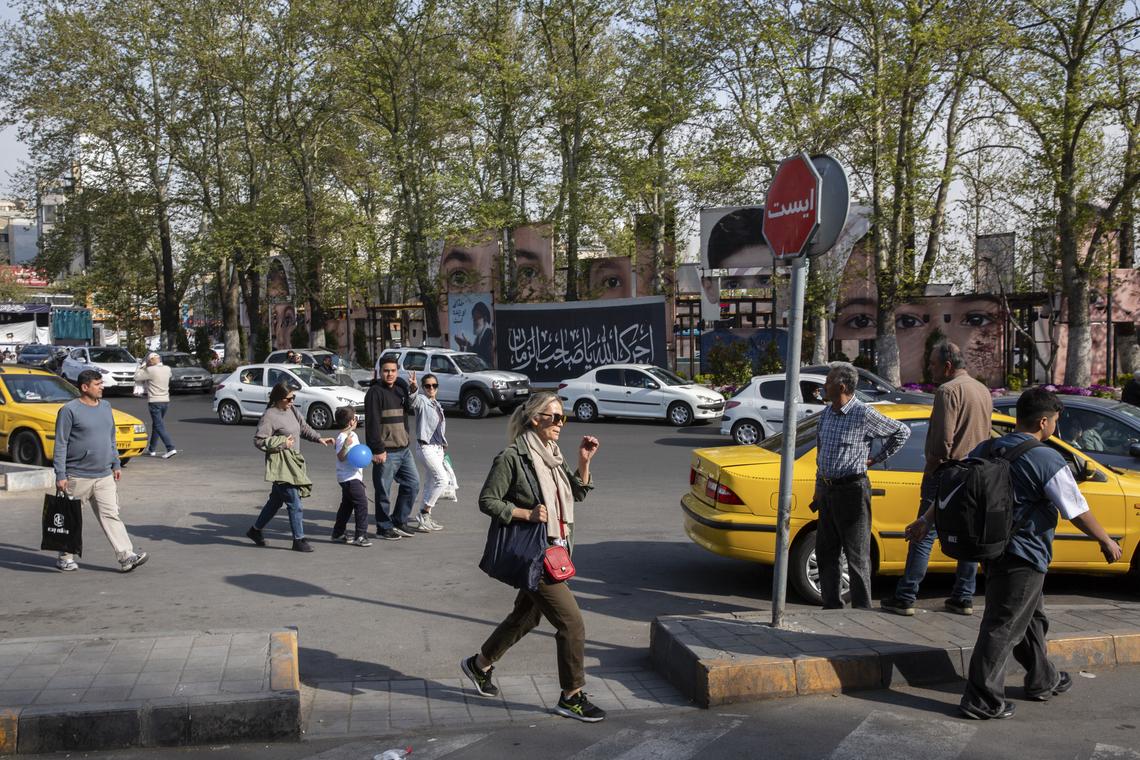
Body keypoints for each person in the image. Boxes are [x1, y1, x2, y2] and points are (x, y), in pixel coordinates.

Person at [906, 388, 1122, 720]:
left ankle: (1042, 679)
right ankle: (980, 699)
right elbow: (1076, 510)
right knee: (1003, 625)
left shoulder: (988, 446)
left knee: (1031, 618)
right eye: (1056, 422)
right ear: (1045, 422)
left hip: (993, 550)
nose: (1055, 427)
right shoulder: (1046, 458)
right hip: (1025, 554)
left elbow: (956, 488)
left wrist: (925, 519)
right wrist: (1106, 540)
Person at [459, 392, 605, 723]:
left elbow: (576, 494)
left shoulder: (552, 454)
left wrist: (584, 461)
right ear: (535, 418)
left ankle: (479, 665)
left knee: (527, 616)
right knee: (572, 624)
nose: (560, 424)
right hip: (535, 553)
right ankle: (571, 696)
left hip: (556, 550)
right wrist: (526, 513)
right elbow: (488, 500)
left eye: (563, 418)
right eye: (554, 417)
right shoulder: (513, 457)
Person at [881, 342, 991, 617]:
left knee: (923, 533)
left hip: (947, 471)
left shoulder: (948, 391)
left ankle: (906, 595)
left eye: (932, 364)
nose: (929, 369)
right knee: (968, 534)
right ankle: (963, 597)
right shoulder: (982, 390)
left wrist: (930, 469)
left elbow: (943, 442)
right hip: (976, 472)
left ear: (947, 366)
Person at [813, 361, 911, 609]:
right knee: (826, 553)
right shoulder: (826, 414)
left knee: (856, 555)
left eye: (828, 382)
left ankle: (861, 611)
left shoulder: (862, 414)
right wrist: (818, 487)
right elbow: (821, 452)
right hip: (827, 490)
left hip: (852, 490)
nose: (824, 386)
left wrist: (876, 459)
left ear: (842, 386)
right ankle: (831, 606)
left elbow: (901, 432)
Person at [53, 369, 149, 573]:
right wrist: (60, 474)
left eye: (101, 383)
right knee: (70, 519)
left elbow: (110, 437)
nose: (102, 387)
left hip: (104, 475)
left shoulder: (105, 407)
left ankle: (126, 556)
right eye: (98, 384)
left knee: (111, 515)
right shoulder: (69, 410)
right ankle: (65, 557)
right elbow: (61, 443)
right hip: (77, 476)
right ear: (84, 387)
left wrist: (115, 463)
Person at [245, 382, 334, 552]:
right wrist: (281, 443)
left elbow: (303, 427)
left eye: (294, 397)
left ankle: (255, 530)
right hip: (281, 465)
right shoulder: (269, 416)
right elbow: (259, 440)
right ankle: (298, 540)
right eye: (289, 398)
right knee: (295, 502)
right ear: (279, 398)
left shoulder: (291, 410)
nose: (292, 400)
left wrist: (319, 438)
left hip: (294, 462)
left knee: (275, 502)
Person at [364, 358, 420, 540]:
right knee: (383, 491)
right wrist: (377, 449)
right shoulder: (374, 392)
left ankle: (399, 520)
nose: (390, 374)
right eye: (386, 371)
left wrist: (412, 389)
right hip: (386, 451)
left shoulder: (400, 389)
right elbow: (372, 424)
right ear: (381, 372)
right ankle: (383, 527)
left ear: (397, 371)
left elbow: (409, 408)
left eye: (393, 371)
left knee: (412, 484)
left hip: (404, 448)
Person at [410, 373, 457, 532]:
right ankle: (424, 512)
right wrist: (414, 387)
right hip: (426, 447)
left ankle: (425, 519)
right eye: (428, 386)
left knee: (430, 483)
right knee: (442, 479)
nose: (431, 388)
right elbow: (413, 401)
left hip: (437, 448)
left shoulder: (436, 403)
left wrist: (443, 442)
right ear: (423, 388)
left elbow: (438, 428)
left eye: (434, 385)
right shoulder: (422, 400)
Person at [331, 406, 371, 547]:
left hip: (353, 476)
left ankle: (338, 533)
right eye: (355, 417)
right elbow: (341, 457)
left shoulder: (353, 435)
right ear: (350, 422)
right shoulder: (343, 437)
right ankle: (360, 535)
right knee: (362, 505)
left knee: (347, 506)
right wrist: (345, 446)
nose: (357, 420)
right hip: (349, 478)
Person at [134, 352, 177, 459]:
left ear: (151, 361)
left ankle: (170, 448)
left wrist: (142, 366)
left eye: (149, 360)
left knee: (159, 425)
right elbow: (169, 375)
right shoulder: (167, 368)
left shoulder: (150, 370)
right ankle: (152, 449)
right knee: (157, 424)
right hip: (165, 400)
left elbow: (136, 377)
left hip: (155, 401)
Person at [456, 301, 494, 366]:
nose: (474, 322)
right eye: (473, 319)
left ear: (485, 318)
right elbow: (474, 352)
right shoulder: (479, 337)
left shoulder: (488, 333)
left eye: (477, 318)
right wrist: (464, 344)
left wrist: (467, 344)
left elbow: (481, 354)